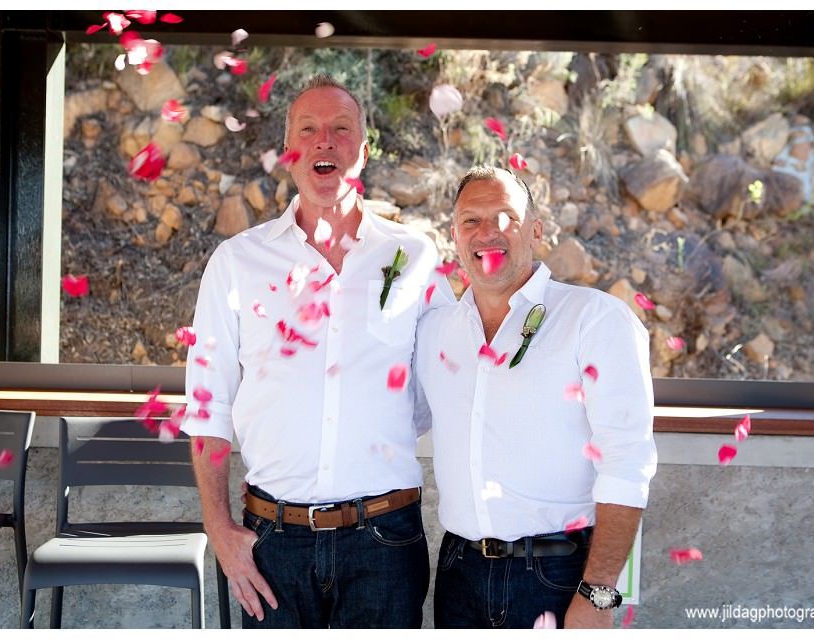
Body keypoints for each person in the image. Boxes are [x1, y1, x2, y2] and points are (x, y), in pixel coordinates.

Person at [181, 74, 453, 629]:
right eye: (308, 129)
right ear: (289, 152)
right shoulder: (236, 262)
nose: (324, 140)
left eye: (341, 129)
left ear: (363, 152)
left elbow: (446, 387)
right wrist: (218, 527)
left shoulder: (416, 259)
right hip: (272, 543)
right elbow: (209, 406)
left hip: (386, 541)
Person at [413, 166, 657, 629]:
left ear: (536, 231)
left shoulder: (595, 319)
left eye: (505, 217)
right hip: (459, 572)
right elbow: (397, 421)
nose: (488, 232)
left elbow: (627, 461)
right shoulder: (434, 332)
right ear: (455, 236)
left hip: (558, 575)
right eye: (471, 220)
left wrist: (599, 591)